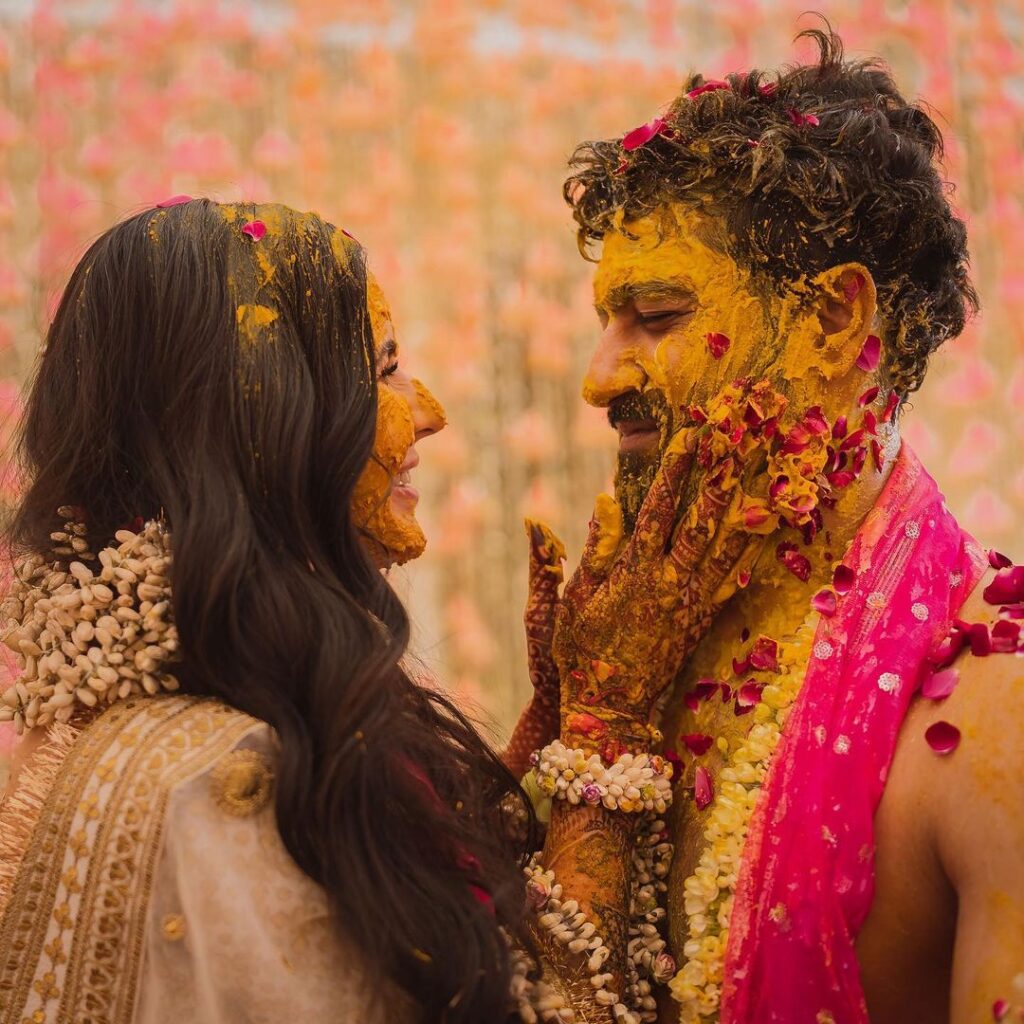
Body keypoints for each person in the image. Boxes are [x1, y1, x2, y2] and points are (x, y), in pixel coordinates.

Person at [512, 25, 1024, 1024]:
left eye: (655, 316)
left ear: (834, 322)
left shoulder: (998, 710)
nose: (596, 378)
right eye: (604, 324)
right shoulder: (640, 645)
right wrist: (567, 728)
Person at [0, 199, 541, 1024]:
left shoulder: (179, 717)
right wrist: (617, 758)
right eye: (386, 367)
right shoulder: (227, 784)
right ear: (266, 422)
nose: (428, 408)